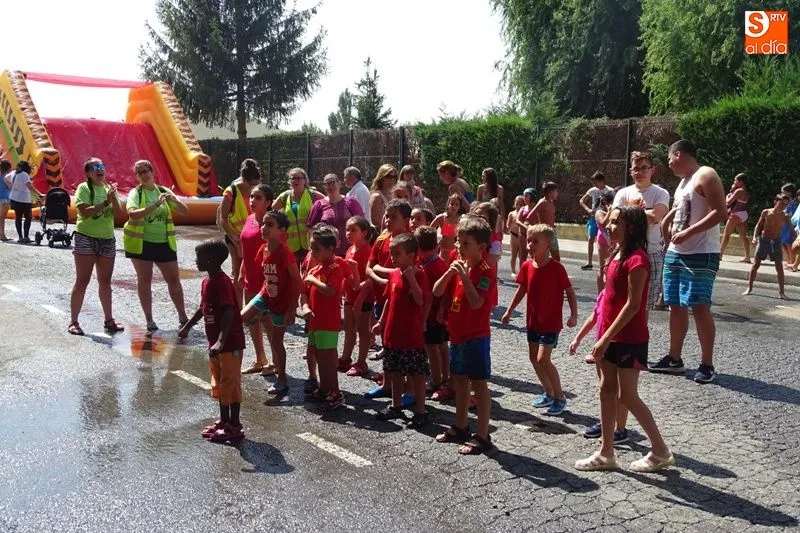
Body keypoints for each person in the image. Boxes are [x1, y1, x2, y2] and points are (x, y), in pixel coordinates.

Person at [574, 205, 674, 472]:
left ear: (631, 227)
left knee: (627, 396)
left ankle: (660, 450)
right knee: (606, 390)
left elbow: (632, 305)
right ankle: (606, 452)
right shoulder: (616, 254)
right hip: (609, 336)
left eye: (616, 222)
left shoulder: (637, 260)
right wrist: (601, 334)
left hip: (628, 338)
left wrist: (605, 338)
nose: (609, 226)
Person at [651, 140, 727, 384]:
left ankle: (707, 364)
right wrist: (667, 229)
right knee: (675, 304)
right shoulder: (684, 182)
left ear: (679, 154)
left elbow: (720, 212)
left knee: (699, 305)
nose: (668, 164)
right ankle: (674, 359)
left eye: (669, 158)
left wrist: (688, 233)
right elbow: (680, 211)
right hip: (677, 252)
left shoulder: (706, 174)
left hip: (701, 252)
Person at [433, 215, 496, 455]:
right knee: (458, 381)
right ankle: (460, 425)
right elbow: (438, 291)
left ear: (481, 247)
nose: (459, 247)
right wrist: (450, 274)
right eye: (458, 241)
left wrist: (464, 277)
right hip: (457, 334)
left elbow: (477, 302)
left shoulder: (485, 271)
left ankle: (483, 434)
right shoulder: (457, 263)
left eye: (465, 243)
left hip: (476, 336)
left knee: (478, 385)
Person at [501, 224, 577, 416]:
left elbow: (569, 292)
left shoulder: (557, 268)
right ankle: (549, 392)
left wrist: (574, 315)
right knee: (534, 359)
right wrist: (509, 310)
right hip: (533, 321)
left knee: (543, 359)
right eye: (528, 241)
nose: (530, 245)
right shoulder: (527, 266)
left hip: (550, 323)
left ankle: (560, 397)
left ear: (548, 245)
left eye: (535, 241)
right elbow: (522, 289)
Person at [178, 239, 246, 443]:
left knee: (230, 384)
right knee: (220, 382)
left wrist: (221, 341)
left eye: (199, 257)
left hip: (229, 344)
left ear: (211, 259)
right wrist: (188, 326)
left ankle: (234, 425)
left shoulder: (222, 282)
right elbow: (203, 308)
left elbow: (229, 311)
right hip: (216, 345)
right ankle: (224, 421)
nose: (196, 261)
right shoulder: (207, 281)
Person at [373, 233, 431, 428]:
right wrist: (381, 322)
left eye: (397, 254)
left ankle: (421, 410)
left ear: (411, 255)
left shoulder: (419, 275)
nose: (393, 258)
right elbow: (389, 300)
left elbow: (420, 300)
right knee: (395, 371)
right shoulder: (394, 274)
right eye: (392, 254)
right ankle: (395, 405)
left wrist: (411, 279)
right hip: (393, 333)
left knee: (416, 374)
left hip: (411, 335)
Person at [124, 159, 189, 331]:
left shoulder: (163, 191)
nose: (144, 175)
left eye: (146, 171)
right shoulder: (136, 193)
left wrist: (175, 200)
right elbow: (132, 214)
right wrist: (155, 205)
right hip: (142, 243)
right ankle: (149, 320)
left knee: (174, 280)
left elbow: (184, 211)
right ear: (137, 176)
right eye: (140, 173)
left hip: (164, 243)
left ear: (152, 172)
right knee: (145, 280)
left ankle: (183, 317)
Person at [240, 210, 301, 396]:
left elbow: (297, 280)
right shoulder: (264, 248)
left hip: (282, 302)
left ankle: (282, 380)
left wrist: (292, 309)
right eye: (263, 224)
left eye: (270, 225)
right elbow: (264, 273)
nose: (264, 228)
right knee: (241, 317)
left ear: (281, 230)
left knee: (276, 341)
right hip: (265, 294)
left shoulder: (284, 253)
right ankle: (229, 361)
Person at [68, 158, 124, 336]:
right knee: (82, 280)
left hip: (107, 239)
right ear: (88, 173)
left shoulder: (108, 189)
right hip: (86, 237)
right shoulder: (84, 188)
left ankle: (109, 319)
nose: (100, 170)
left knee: (105, 282)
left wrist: (113, 198)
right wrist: (106, 202)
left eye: (102, 166)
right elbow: (85, 212)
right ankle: (74, 321)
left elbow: (119, 214)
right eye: (95, 167)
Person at [364, 199, 412, 398]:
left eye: (393, 217)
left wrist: (386, 273)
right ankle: (388, 385)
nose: (388, 220)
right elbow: (369, 267)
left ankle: (407, 387)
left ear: (405, 220)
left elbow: (408, 271)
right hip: (381, 298)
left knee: (404, 346)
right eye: (386, 216)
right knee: (387, 343)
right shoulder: (382, 238)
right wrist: (381, 280)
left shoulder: (410, 242)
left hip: (402, 302)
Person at [613, 152, 670, 310]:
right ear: (631, 171)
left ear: (653, 170)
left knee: (644, 305)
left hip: (651, 253)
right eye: (636, 169)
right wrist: (640, 211)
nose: (640, 172)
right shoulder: (623, 193)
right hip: (623, 252)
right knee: (619, 300)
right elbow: (615, 217)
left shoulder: (661, 193)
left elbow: (655, 216)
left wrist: (629, 209)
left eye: (644, 168)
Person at [300, 226, 346, 409]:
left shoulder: (335, 268)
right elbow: (303, 293)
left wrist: (314, 281)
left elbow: (331, 291)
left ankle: (335, 393)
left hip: (328, 321)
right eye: (311, 248)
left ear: (330, 249)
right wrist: (304, 307)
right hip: (315, 321)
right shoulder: (314, 270)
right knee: (318, 355)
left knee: (327, 358)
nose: (313, 252)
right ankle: (324, 389)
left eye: (317, 249)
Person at [238, 184, 276, 375]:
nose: (252, 200)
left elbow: (278, 252)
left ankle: (276, 361)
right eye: (252, 196)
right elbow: (246, 250)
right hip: (250, 278)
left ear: (268, 202)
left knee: (268, 322)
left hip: (266, 280)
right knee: (252, 320)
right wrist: (242, 271)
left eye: (258, 197)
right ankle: (260, 359)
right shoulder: (249, 218)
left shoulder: (272, 224)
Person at [217, 159, 264, 305]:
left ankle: (255, 306)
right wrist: (233, 237)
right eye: (251, 185)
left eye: (256, 184)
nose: (253, 188)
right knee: (238, 272)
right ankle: (238, 307)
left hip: (253, 235)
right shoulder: (231, 192)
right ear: (244, 180)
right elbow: (223, 218)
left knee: (255, 271)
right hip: (235, 237)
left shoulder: (257, 189)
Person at [416, 226, 451, 401]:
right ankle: (445, 377)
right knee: (442, 346)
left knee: (433, 348)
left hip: (433, 315)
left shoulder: (431, 267)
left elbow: (431, 294)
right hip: (439, 314)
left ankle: (436, 380)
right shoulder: (440, 262)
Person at [339, 216, 374, 377]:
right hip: (349, 296)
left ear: (364, 232)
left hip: (363, 298)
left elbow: (369, 280)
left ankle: (361, 362)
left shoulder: (367, 251)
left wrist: (360, 299)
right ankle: (346, 358)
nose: (348, 233)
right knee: (349, 328)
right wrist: (341, 291)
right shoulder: (349, 250)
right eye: (347, 229)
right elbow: (346, 275)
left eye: (353, 230)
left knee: (362, 330)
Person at [273, 167, 325, 265]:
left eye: (298, 178)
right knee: (293, 271)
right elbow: (272, 211)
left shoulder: (312, 195)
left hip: (311, 242)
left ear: (305, 180)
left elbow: (327, 205)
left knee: (310, 270)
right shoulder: (284, 197)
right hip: (291, 244)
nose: (295, 181)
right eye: (292, 178)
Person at [744, 194, 790, 299]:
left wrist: (795, 236)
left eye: (785, 205)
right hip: (764, 239)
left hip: (776, 241)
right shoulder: (766, 212)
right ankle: (749, 288)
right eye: (781, 203)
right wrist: (755, 237)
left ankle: (782, 292)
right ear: (775, 202)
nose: (783, 206)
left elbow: (791, 228)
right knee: (756, 264)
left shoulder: (785, 216)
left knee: (779, 267)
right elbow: (758, 225)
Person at [307, 173, 364, 256]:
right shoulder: (318, 205)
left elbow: (361, 223)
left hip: (350, 250)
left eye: (333, 182)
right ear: (324, 187)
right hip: (326, 252)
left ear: (339, 184)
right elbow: (311, 228)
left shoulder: (351, 202)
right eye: (327, 184)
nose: (330, 186)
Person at [579, 171, 614, 270]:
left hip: (604, 217)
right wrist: (588, 209)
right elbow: (581, 201)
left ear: (602, 181)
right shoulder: (592, 190)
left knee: (606, 240)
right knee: (591, 238)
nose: (594, 184)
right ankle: (589, 262)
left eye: (596, 182)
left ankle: (608, 261)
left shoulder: (610, 190)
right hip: (594, 217)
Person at [7, 161, 43, 243]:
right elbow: (29, 186)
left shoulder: (13, 173)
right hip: (24, 199)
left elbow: (6, 178)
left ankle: (20, 237)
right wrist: (39, 194)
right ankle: (26, 237)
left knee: (18, 217)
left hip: (14, 198)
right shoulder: (24, 174)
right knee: (28, 217)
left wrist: (12, 187)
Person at [720, 173, 752, 263]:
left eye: (735, 180)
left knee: (726, 235)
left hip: (735, 214)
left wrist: (728, 195)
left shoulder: (739, 191)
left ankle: (720, 255)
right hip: (743, 214)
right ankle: (747, 257)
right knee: (743, 236)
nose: (734, 182)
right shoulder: (746, 191)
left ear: (741, 182)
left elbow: (728, 202)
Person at [527, 182, 561, 262]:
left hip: (552, 232)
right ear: (550, 192)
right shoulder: (543, 202)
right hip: (544, 233)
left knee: (556, 257)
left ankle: (553, 270)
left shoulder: (551, 202)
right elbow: (530, 217)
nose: (557, 194)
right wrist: (538, 229)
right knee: (542, 256)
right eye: (556, 191)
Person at [431, 194, 465, 262]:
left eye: (457, 204)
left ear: (460, 207)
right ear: (448, 204)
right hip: (443, 251)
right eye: (452, 204)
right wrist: (437, 240)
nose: (454, 206)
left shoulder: (462, 219)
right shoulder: (441, 218)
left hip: (456, 252)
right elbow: (428, 231)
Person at [594, 191, 615, 293]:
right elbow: (603, 223)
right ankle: (600, 292)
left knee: (612, 267)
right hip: (603, 241)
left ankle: (609, 290)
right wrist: (610, 211)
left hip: (612, 241)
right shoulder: (599, 212)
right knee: (603, 267)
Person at [369, 164, 398, 228]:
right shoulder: (377, 196)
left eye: (394, 177)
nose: (392, 179)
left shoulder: (395, 194)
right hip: (381, 232)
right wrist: (393, 226)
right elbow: (375, 221)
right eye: (388, 176)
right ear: (381, 178)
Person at [780, 183, 799, 267]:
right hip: (783, 224)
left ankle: (792, 261)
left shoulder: (793, 203)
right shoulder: (786, 201)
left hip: (788, 224)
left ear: (789, 192)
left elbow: (791, 214)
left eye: (784, 192)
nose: (782, 194)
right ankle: (789, 260)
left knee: (789, 243)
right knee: (782, 242)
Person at [506, 195, 525, 274]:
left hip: (522, 235)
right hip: (514, 235)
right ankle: (513, 271)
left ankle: (521, 271)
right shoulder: (512, 213)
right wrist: (509, 227)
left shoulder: (524, 213)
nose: (518, 206)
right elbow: (508, 224)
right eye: (517, 204)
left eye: (521, 204)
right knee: (513, 254)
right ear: (514, 204)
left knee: (522, 255)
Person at [517, 188, 536, 264]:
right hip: (523, 234)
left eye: (526, 196)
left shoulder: (537, 208)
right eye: (524, 196)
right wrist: (525, 227)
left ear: (532, 196)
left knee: (534, 255)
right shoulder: (523, 208)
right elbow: (517, 220)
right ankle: (522, 271)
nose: (524, 198)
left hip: (533, 235)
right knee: (522, 256)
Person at [0, 160, 12, 241]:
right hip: (5, 198)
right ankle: (2, 235)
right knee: (2, 218)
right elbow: (10, 187)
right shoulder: (7, 177)